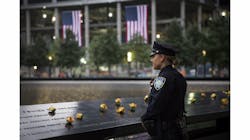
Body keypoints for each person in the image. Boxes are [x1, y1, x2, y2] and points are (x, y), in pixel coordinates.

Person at [141, 41, 188, 140]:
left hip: (165, 134)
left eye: (153, 56)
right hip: (178, 131)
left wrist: (144, 119)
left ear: (162, 57)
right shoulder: (179, 76)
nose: (152, 60)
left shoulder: (162, 78)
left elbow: (154, 106)